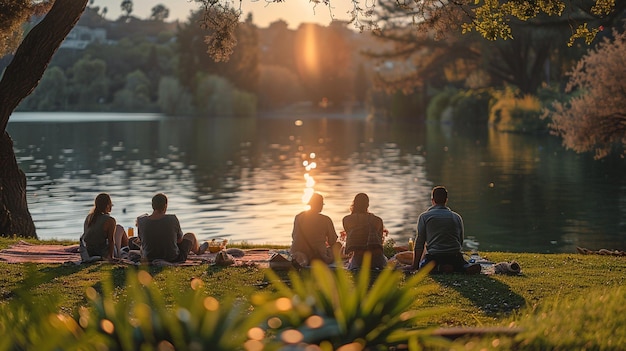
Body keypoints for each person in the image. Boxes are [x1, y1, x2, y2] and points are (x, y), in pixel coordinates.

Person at [409, 186, 480, 274]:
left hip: (435, 256)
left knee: (423, 266)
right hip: (455, 256)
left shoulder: (424, 217)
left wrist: (414, 265)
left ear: (432, 200)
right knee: (461, 263)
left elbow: (420, 242)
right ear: (446, 200)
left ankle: (440, 268)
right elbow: (460, 241)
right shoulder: (456, 217)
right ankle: (464, 267)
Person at [137, 193, 208, 263]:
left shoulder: (141, 220)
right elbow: (179, 240)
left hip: (149, 258)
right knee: (190, 235)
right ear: (165, 206)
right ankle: (198, 251)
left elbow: (141, 240)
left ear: (152, 206)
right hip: (173, 258)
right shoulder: (172, 219)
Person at [290, 193, 341, 267]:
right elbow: (332, 241)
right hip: (319, 255)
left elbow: (294, 236)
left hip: (298, 251)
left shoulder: (298, 217)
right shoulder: (325, 219)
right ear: (320, 205)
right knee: (338, 245)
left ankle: (302, 260)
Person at [342, 193, 388, 270]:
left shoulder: (347, 219)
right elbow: (380, 241)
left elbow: (351, 239)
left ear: (354, 204)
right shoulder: (378, 220)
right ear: (367, 205)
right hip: (378, 260)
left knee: (348, 262)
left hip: (359, 260)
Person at [81, 193, 129, 260]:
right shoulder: (110, 220)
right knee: (120, 229)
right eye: (111, 204)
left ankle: (124, 249)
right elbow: (111, 240)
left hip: (89, 252)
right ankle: (123, 251)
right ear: (107, 205)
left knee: (118, 227)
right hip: (103, 253)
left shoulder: (89, 217)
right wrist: (111, 257)